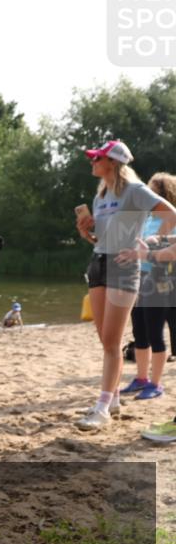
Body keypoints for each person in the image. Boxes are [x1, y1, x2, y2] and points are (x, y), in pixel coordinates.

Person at [75, 143, 176, 431]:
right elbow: (102, 241)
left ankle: (102, 408)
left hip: (124, 268)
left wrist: (150, 242)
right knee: (106, 341)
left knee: (111, 341)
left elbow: (171, 214)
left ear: (113, 162)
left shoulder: (135, 190)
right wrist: (87, 233)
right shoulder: (102, 195)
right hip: (98, 264)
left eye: (97, 158)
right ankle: (114, 398)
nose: (92, 162)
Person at [118, 173, 176, 401]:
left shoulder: (170, 219)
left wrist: (149, 249)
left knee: (155, 333)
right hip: (136, 278)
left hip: (160, 281)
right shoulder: (144, 219)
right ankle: (141, 378)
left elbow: (170, 253)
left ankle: (156, 383)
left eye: (153, 191)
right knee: (139, 332)